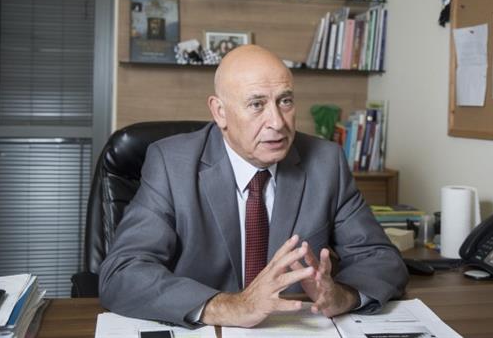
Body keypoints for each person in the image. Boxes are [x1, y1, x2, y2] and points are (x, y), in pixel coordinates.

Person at [99, 45, 408, 328]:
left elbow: (381, 259)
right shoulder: (171, 164)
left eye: (285, 101)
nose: (277, 122)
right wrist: (232, 306)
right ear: (219, 112)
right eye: (257, 104)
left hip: (294, 330)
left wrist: (343, 295)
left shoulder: (326, 163)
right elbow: (123, 273)